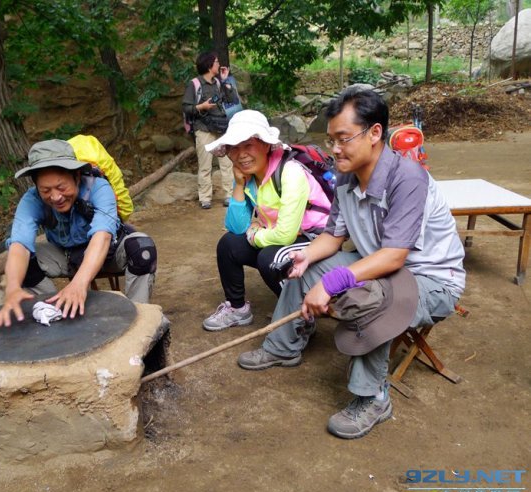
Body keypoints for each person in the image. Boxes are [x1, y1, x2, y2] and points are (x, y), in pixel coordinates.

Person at [238, 87, 465, 440]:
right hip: (377, 262)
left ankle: (372, 398)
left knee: (369, 296)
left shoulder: (407, 178)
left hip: (429, 280)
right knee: (306, 269)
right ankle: (282, 348)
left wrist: (333, 284)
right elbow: (333, 237)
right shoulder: (345, 176)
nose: (335, 149)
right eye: (331, 140)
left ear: (375, 133)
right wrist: (306, 256)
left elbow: (394, 256)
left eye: (343, 139)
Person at [0, 139, 157, 327]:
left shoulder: (99, 188)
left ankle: (137, 320)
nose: (55, 197)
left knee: (142, 248)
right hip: (66, 255)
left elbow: (102, 237)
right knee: (18, 259)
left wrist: (78, 284)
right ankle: (50, 310)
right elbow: (20, 245)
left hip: (108, 254)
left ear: (77, 176)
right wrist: (12, 287)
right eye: (46, 190)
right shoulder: (32, 199)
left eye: (61, 188)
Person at [201, 110, 331, 332]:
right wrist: (239, 186)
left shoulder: (290, 172)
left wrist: (255, 234)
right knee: (228, 244)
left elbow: (284, 236)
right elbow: (236, 228)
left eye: (248, 145)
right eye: (234, 147)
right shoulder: (247, 176)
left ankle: (299, 316)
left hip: (315, 237)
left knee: (269, 257)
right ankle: (237, 308)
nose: (241, 155)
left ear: (266, 144)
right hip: (280, 235)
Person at [182, 51, 236, 209]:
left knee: (227, 164)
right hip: (204, 128)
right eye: (216, 62)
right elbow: (186, 107)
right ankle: (205, 198)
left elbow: (231, 100)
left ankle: (229, 195)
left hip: (221, 128)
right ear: (209, 65)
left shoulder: (218, 83)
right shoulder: (195, 84)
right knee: (205, 165)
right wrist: (202, 106)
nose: (219, 65)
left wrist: (226, 81)